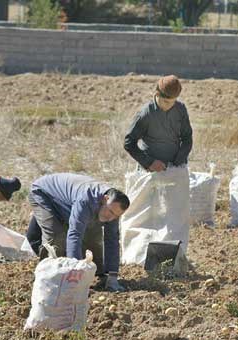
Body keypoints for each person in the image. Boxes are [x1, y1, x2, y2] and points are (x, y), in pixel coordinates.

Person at [122, 75, 193, 272]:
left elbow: (187, 138)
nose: (167, 105)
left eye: (171, 102)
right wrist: (150, 162)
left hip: (173, 172)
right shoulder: (145, 114)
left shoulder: (180, 110)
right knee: (144, 215)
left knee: (173, 214)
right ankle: (137, 256)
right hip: (148, 174)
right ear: (156, 94)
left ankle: (171, 256)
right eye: (164, 101)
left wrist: (178, 160)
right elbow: (129, 143)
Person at [25, 173, 130, 292]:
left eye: (116, 216)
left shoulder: (112, 210)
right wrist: (76, 274)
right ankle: (49, 277)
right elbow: (75, 234)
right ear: (105, 199)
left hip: (69, 201)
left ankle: (100, 274)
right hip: (43, 193)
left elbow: (112, 240)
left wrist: (112, 276)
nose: (111, 218)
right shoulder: (86, 199)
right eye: (110, 212)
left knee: (93, 236)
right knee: (57, 237)